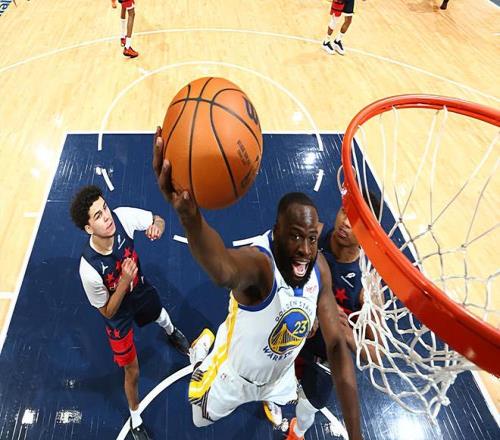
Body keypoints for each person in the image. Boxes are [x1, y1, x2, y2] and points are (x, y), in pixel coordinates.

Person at [152, 128, 363, 440]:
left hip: (278, 377)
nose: (305, 249)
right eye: (294, 236)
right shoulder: (260, 265)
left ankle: (267, 396)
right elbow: (223, 269)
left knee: (283, 391)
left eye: (311, 238)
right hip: (234, 376)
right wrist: (190, 218)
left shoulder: (319, 268)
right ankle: (201, 356)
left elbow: (336, 346)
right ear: (276, 233)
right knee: (199, 419)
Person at [70, 185, 190, 440]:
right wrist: (124, 281)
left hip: (140, 289)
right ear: (89, 228)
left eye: (105, 208)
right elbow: (107, 311)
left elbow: (157, 218)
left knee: (160, 314)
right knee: (132, 371)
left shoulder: (123, 217)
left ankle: (172, 333)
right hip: (118, 315)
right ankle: (136, 417)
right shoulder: (88, 269)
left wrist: (157, 227)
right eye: (98, 216)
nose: (107, 217)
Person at [265, 191, 383, 435]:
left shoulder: (368, 284)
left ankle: (297, 431)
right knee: (269, 378)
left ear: (370, 232)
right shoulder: (314, 235)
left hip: (325, 356)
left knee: (308, 406)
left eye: (357, 221)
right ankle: (271, 400)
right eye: (344, 211)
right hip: (292, 332)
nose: (346, 222)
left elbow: (377, 354)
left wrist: (349, 336)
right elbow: (274, 268)